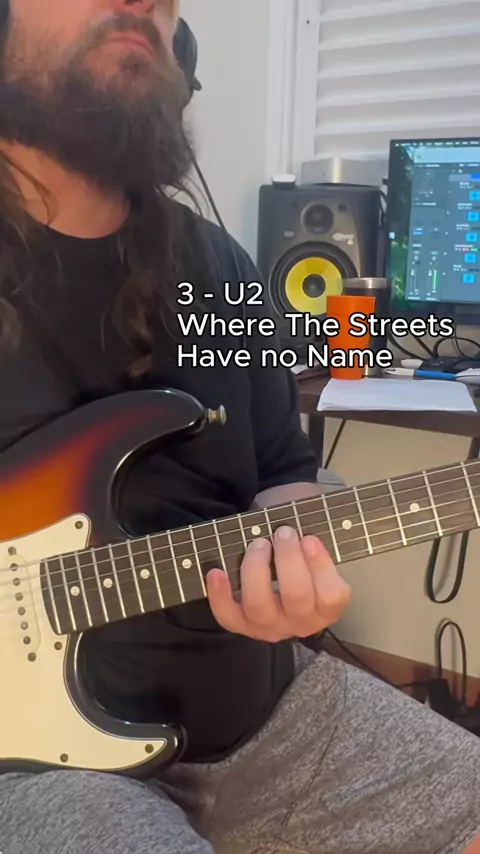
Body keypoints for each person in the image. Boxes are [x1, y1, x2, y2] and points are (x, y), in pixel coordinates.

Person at [0, 1, 479, 852]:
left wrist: (299, 563)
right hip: (38, 764)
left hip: (261, 710)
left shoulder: (219, 267)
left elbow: (283, 472)